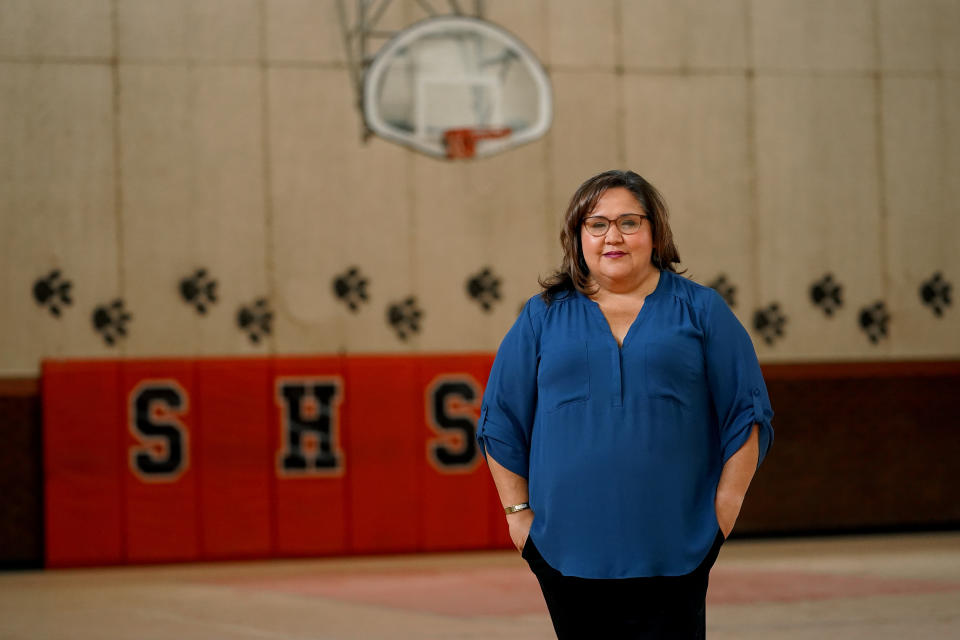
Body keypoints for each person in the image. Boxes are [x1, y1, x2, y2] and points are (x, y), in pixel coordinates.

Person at [476, 170, 774, 638]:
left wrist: (724, 507)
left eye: (629, 222)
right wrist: (519, 518)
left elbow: (748, 412)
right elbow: (500, 420)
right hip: (565, 550)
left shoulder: (702, 310)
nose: (612, 236)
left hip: (677, 547)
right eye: (596, 224)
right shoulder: (544, 315)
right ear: (579, 236)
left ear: (655, 233)